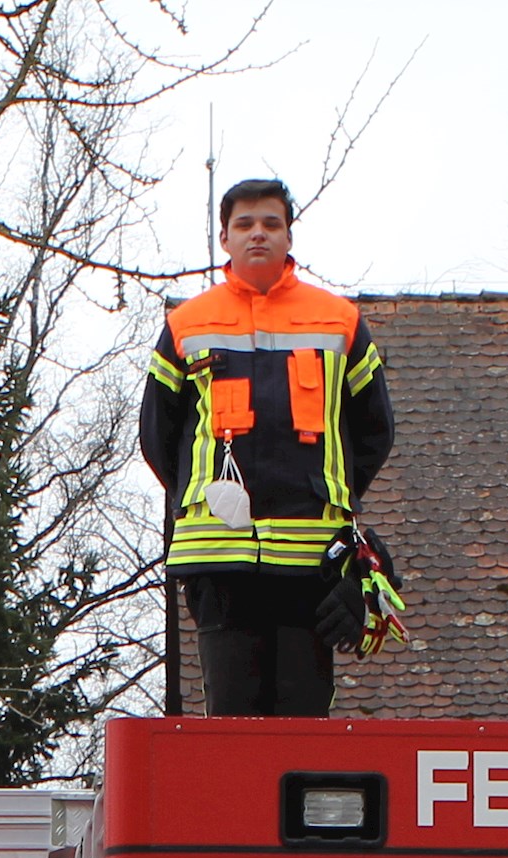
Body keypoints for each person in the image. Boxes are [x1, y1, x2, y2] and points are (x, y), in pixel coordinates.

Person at [140, 175, 396, 717]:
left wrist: (327, 492)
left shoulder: (340, 321)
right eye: (245, 224)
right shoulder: (186, 324)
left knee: (303, 721)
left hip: (312, 555)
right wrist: (201, 494)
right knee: (231, 719)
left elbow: (376, 430)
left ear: (289, 237)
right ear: (224, 239)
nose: (259, 234)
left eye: (271, 224)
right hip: (217, 552)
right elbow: (157, 435)